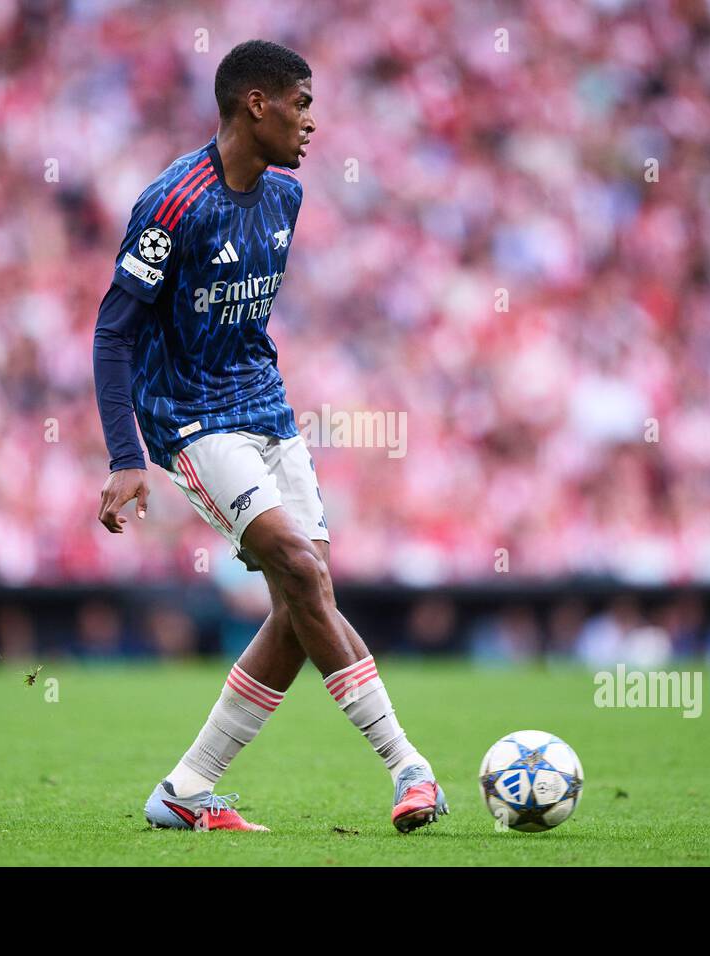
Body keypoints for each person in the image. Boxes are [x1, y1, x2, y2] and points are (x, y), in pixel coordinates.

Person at [91, 40, 446, 832]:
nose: (313, 122)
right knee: (296, 566)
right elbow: (112, 333)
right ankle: (407, 766)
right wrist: (127, 457)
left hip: (269, 411)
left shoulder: (286, 197)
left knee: (300, 599)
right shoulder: (172, 203)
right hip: (188, 418)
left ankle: (185, 790)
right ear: (258, 103)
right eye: (303, 103)